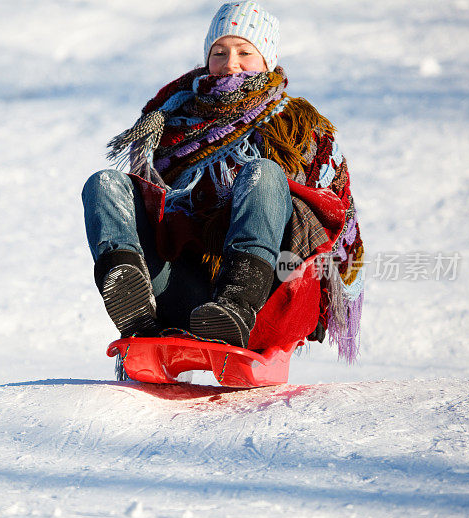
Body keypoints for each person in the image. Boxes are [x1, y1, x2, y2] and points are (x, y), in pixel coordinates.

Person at [82, 1, 365, 362]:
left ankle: (236, 305)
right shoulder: (170, 122)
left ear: (267, 59)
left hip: (268, 297)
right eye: (220, 52)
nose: (230, 62)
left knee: (263, 174)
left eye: (245, 51)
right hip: (185, 289)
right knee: (104, 183)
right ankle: (135, 308)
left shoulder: (298, 123)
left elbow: (334, 209)